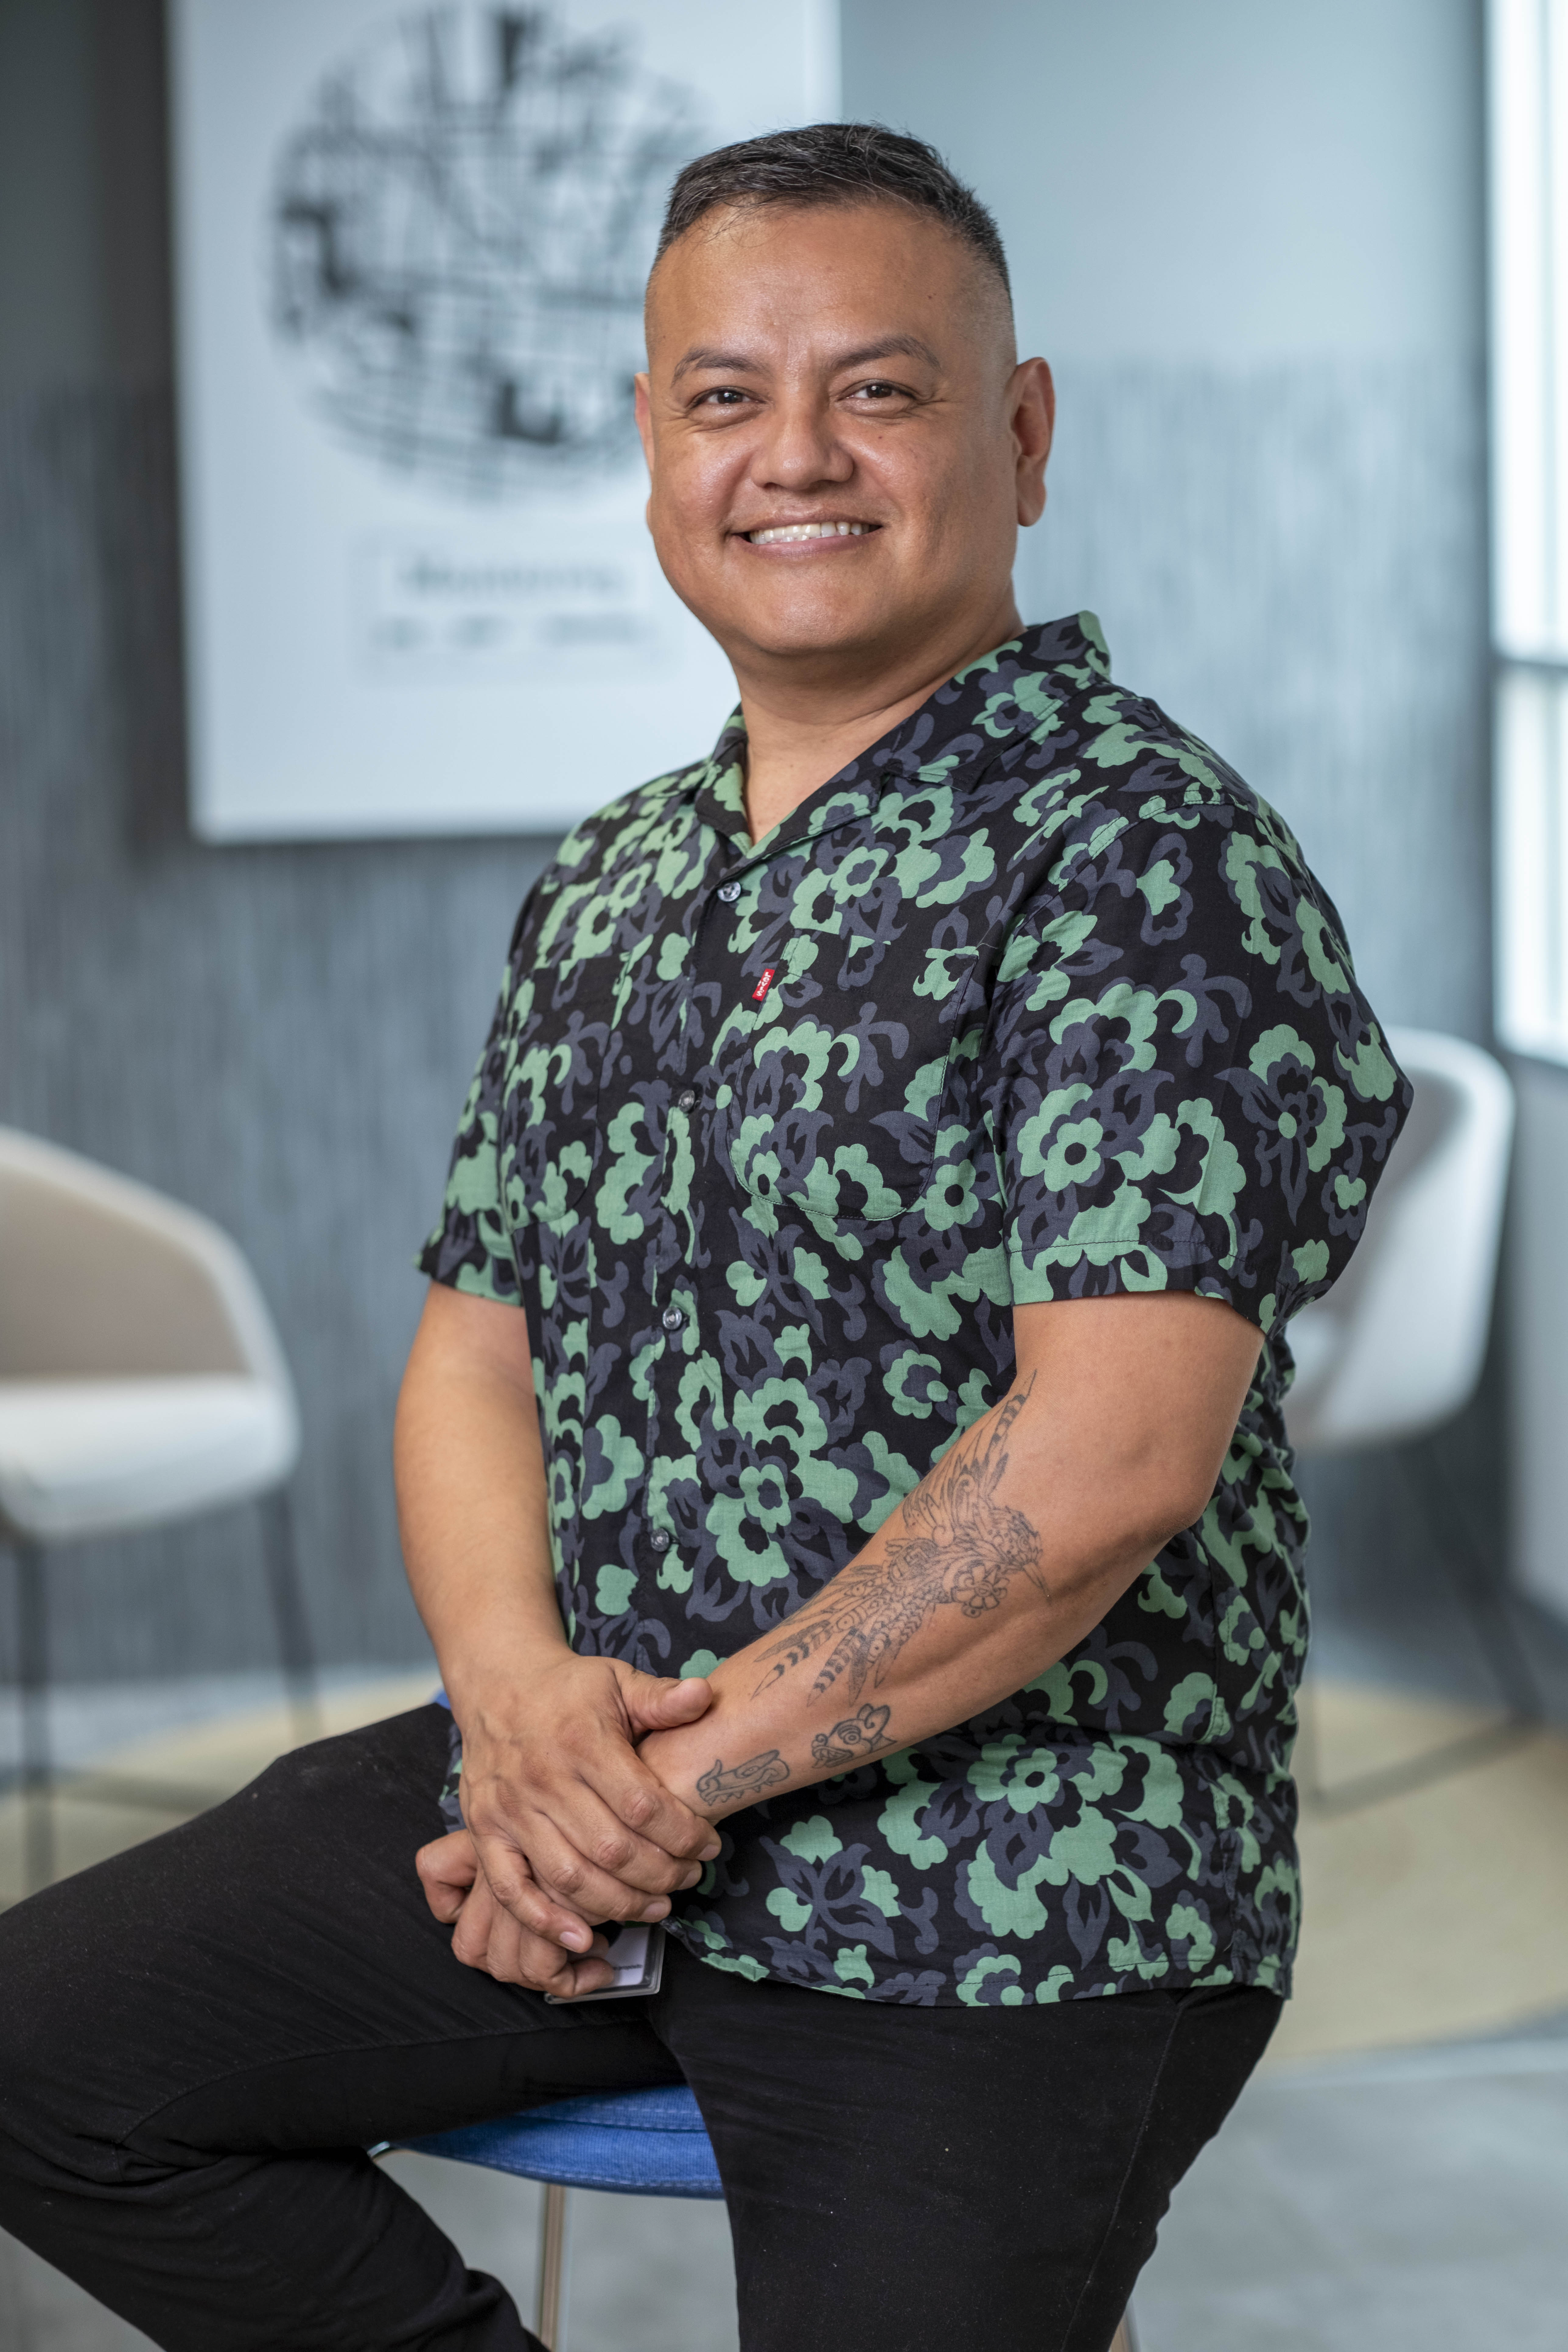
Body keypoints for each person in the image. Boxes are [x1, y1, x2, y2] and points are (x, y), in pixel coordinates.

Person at [0, 124, 1409, 2352]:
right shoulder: (614, 875)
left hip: (1010, 1879)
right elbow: (474, 1353)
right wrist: (518, 1715)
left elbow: (1104, 1467)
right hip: (590, 1789)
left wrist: (650, 1793)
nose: (798, 457)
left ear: (1022, 435)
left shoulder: (1147, 859)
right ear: (654, 444)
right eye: (727, 397)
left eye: (882, 390)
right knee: (48, 2056)